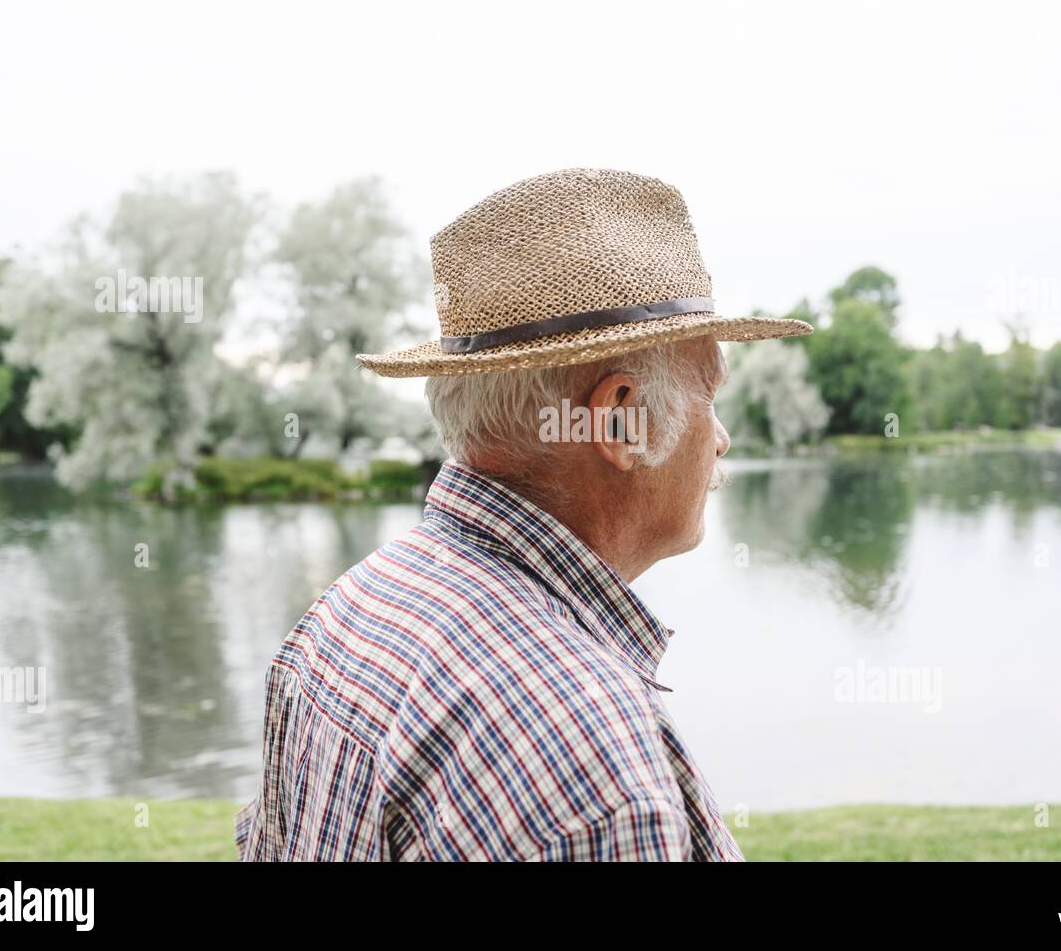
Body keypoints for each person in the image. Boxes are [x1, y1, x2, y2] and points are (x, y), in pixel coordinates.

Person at [235, 167, 812, 860]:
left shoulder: (346, 613)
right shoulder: (584, 757)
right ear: (621, 420)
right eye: (709, 394)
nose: (721, 437)